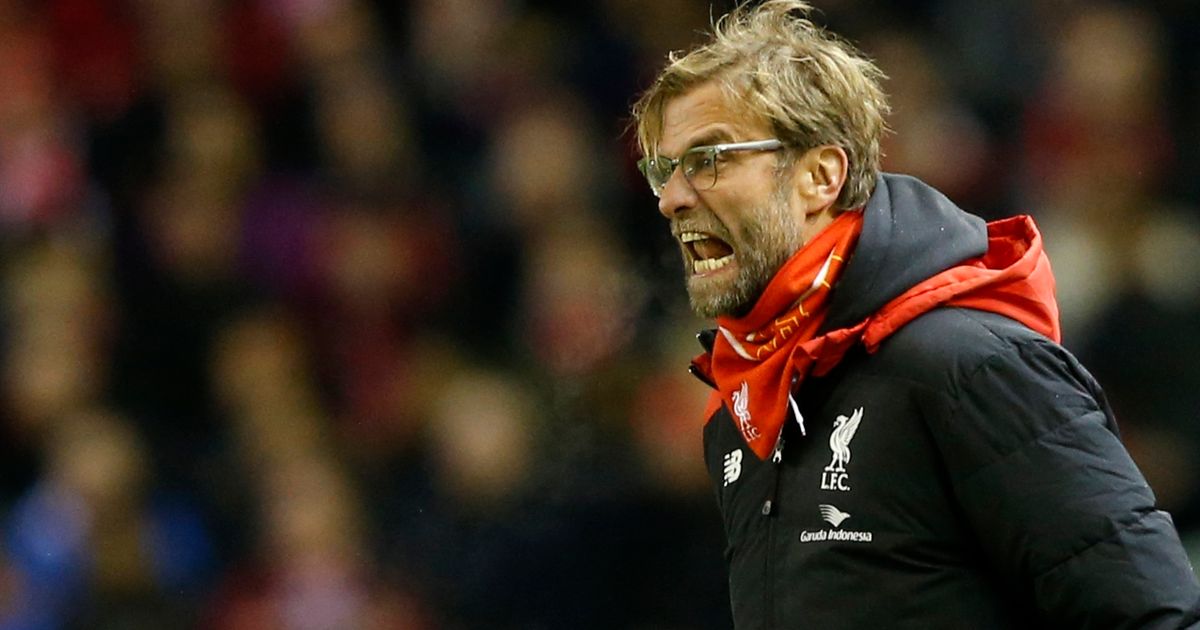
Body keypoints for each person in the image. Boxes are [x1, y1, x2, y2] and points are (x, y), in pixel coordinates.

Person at [629, 1, 1200, 627]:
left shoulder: (967, 367)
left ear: (819, 175)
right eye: (664, 170)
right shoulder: (740, 415)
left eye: (708, 159)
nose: (671, 199)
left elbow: (1151, 613)